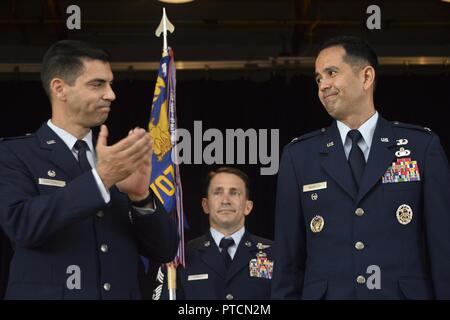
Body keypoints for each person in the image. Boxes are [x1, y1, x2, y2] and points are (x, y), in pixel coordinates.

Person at [271, 35, 450, 300]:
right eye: (318, 79)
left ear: (366, 77)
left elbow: (443, 251)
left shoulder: (421, 147)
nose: (323, 85)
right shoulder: (299, 156)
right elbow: (287, 262)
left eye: (331, 73)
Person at [0, 40, 179, 299]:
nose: (111, 94)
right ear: (60, 89)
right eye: (97, 84)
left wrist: (141, 198)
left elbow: (165, 251)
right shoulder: (15, 153)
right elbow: (22, 225)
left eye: (110, 84)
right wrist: (101, 179)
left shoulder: (116, 157)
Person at [153, 167, 273, 300]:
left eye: (234, 193)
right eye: (217, 192)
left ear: (248, 207)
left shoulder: (275, 254)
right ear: (205, 205)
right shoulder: (181, 257)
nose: (225, 200)